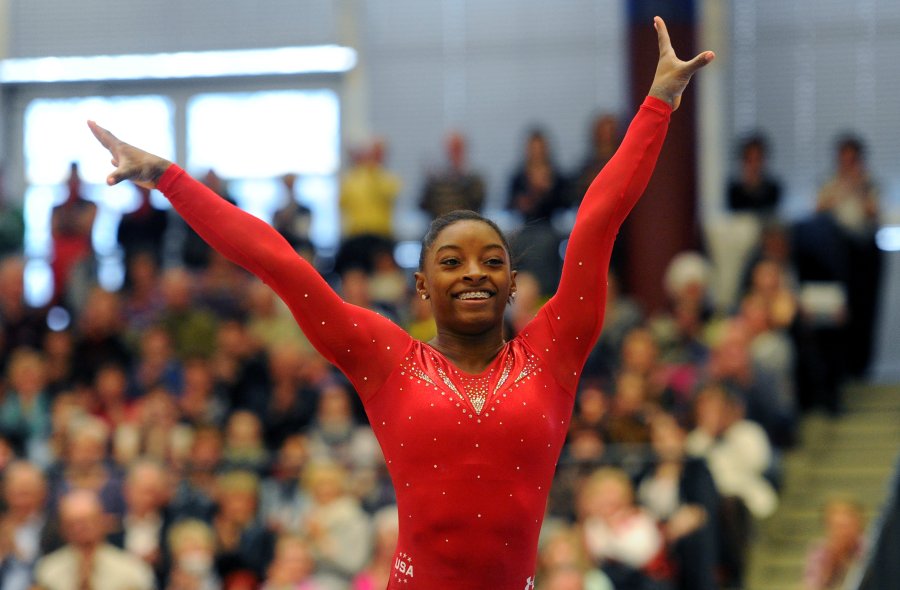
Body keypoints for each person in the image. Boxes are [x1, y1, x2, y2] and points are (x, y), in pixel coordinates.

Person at [87, 17, 713, 588]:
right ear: (421, 287)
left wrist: (658, 103)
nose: (474, 274)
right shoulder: (383, 358)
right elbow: (276, 261)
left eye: (492, 261)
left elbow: (598, 222)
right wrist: (168, 177)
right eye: (451, 262)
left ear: (515, 284)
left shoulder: (555, 350)